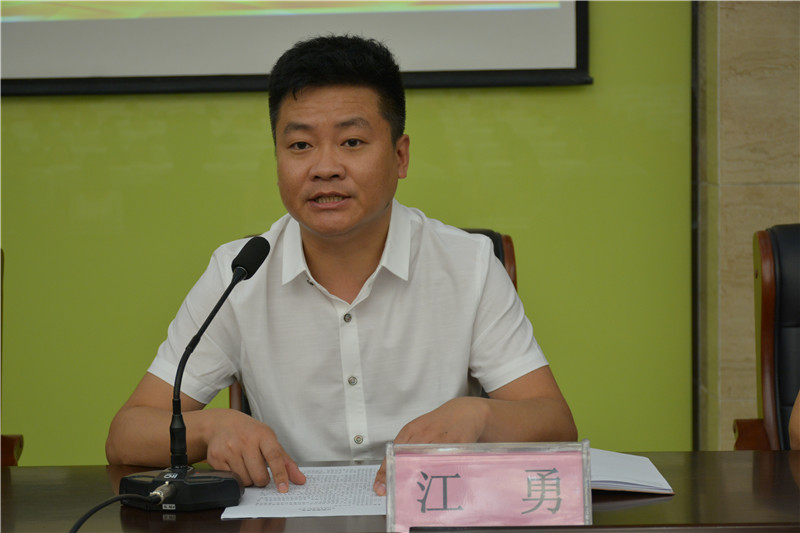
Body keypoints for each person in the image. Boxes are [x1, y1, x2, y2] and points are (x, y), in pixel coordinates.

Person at [106, 34, 577, 496]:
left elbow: (554, 423)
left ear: (400, 156)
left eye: (352, 142)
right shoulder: (239, 273)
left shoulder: (467, 265)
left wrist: (480, 415)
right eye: (300, 146)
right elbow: (127, 434)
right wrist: (212, 428)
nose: (325, 167)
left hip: (431, 516)